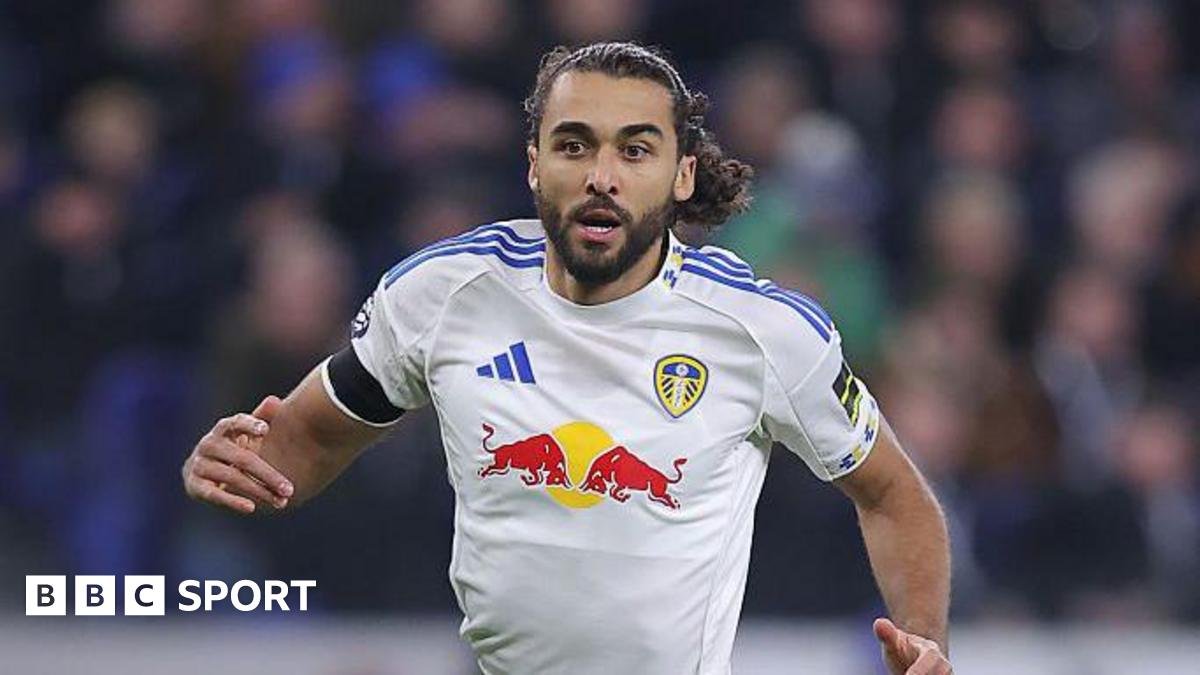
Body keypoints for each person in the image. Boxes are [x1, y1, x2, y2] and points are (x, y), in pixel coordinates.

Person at [182, 41, 952, 675]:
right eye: (573, 144)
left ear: (682, 174)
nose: (600, 176)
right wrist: (236, 467)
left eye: (635, 150)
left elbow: (893, 493)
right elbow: (307, 441)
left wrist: (923, 639)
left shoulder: (761, 330)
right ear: (534, 164)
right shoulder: (442, 293)